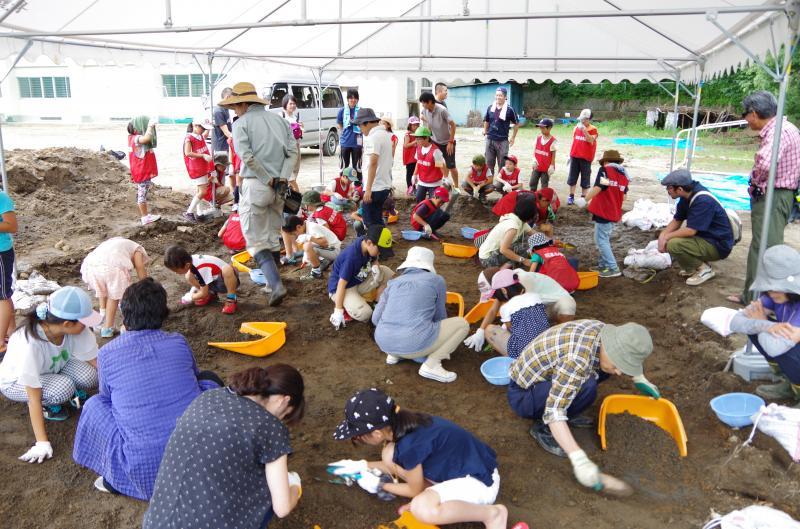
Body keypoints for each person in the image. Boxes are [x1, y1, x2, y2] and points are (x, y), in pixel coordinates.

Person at [72, 278, 222, 498]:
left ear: (125, 315)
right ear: (163, 314)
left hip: (143, 471)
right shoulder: (178, 341)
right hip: (201, 462)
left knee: (96, 404)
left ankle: (116, 480)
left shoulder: (107, 352)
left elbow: (108, 399)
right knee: (209, 380)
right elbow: (195, 377)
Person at [143, 365, 305, 529]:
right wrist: (294, 485)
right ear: (285, 400)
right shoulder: (271, 427)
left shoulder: (209, 396)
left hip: (155, 521)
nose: (280, 420)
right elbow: (282, 508)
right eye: (285, 415)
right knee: (269, 491)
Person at [507, 319, 659, 491]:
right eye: (618, 365)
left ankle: (570, 404)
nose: (619, 372)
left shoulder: (605, 333)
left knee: (598, 373)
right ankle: (542, 428)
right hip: (524, 394)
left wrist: (638, 377)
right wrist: (579, 459)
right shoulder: (577, 361)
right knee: (586, 384)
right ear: (610, 348)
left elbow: (620, 356)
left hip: (552, 378)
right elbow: (554, 411)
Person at [331, 388, 508, 529]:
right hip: (466, 467)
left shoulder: (409, 446)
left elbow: (413, 490)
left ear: (376, 433)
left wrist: (380, 485)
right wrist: (361, 466)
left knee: (421, 508)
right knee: (389, 456)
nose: (357, 439)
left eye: (358, 436)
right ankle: (436, 494)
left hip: (480, 483)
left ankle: (492, 514)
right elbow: (399, 464)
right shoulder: (403, 421)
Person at [0, 286, 101, 463]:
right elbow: (33, 397)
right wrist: (42, 442)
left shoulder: (73, 328)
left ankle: (66, 392)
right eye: (84, 321)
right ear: (67, 324)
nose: (88, 325)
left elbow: (97, 363)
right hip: (16, 381)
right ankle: (51, 404)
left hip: (53, 366)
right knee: (64, 388)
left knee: (90, 376)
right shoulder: (29, 344)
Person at [219, 81, 297, 307]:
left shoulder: (241, 124)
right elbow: (293, 152)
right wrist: (281, 178)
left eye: (235, 106)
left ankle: (276, 285)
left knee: (255, 239)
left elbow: (247, 157)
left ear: (243, 103)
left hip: (257, 185)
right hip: (280, 187)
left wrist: (267, 178)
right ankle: (272, 283)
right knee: (273, 234)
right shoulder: (280, 121)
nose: (234, 110)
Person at [735, 91, 800, 305]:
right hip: (776, 195)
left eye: (746, 115)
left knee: (766, 250)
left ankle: (761, 302)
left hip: (774, 196)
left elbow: (764, 163)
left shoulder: (777, 132)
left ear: (753, 114)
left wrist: (754, 179)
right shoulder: (783, 128)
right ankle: (752, 296)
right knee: (761, 246)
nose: (746, 121)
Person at [372, 247, 469, 383]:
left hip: (384, 342)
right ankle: (432, 364)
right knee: (462, 324)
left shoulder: (393, 283)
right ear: (429, 265)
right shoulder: (436, 280)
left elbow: (375, 319)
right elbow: (440, 315)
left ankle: (396, 355)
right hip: (414, 341)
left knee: (410, 342)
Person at [729, 245, 800, 407]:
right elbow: (735, 322)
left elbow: (775, 348)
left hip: (790, 345)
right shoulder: (773, 295)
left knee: (779, 341)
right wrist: (765, 324)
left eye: (778, 287)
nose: (772, 292)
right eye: (768, 287)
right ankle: (789, 383)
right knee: (756, 328)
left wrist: (761, 324)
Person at [657, 169, 734, 286]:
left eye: (669, 188)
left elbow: (690, 231)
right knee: (670, 240)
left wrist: (667, 237)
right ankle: (692, 268)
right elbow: (677, 219)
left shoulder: (703, 201)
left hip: (718, 244)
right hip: (707, 238)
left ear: (680, 189)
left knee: (673, 244)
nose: (667, 191)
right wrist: (662, 235)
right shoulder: (686, 197)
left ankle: (704, 270)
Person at [465, 269, 549, 359]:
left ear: (503, 290)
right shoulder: (533, 294)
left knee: (490, 330)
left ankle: (514, 360)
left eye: (495, 294)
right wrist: (480, 330)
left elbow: (511, 329)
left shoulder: (506, 308)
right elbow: (493, 310)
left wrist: (497, 331)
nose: (495, 297)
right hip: (546, 345)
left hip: (525, 355)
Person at [80, 237, 149, 338]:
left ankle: (102, 316)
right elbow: (139, 266)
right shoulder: (138, 249)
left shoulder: (115, 243)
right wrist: (146, 285)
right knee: (115, 296)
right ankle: (115, 328)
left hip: (89, 266)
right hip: (111, 269)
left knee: (104, 290)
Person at [328, 225, 395, 328]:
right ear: (369, 243)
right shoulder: (352, 257)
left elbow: (374, 258)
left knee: (387, 273)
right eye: (380, 249)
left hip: (359, 278)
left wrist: (375, 266)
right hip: (343, 288)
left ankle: (376, 303)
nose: (381, 252)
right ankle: (345, 307)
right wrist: (338, 311)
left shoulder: (367, 242)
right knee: (365, 314)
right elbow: (341, 284)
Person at [585, 149, 629, 278]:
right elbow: (624, 196)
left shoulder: (606, 171)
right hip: (614, 210)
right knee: (602, 239)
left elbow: (599, 187)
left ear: (606, 161)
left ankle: (612, 267)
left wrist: (585, 199)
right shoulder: (624, 175)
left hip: (604, 210)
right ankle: (603, 265)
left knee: (601, 240)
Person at [164, 245, 239, 315]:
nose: (176, 273)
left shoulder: (201, 267)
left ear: (186, 265)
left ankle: (231, 298)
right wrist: (198, 290)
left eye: (176, 271)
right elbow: (200, 278)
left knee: (227, 269)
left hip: (225, 282)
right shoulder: (191, 261)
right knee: (188, 275)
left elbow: (203, 291)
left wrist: (191, 297)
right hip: (213, 280)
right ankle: (211, 293)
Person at [357, 108, 394, 228]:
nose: (360, 129)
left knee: (369, 222)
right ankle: (383, 243)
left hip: (374, 187)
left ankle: (375, 244)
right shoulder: (385, 134)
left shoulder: (373, 138)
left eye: (360, 126)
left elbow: (373, 163)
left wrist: (368, 189)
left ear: (366, 123)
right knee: (377, 219)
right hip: (384, 185)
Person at [477, 197, 538, 268]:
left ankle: (508, 266)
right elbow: (503, 250)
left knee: (525, 241)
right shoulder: (513, 227)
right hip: (487, 259)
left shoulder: (519, 220)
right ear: (529, 215)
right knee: (524, 247)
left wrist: (550, 241)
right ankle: (501, 271)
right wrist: (524, 260)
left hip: (492, 252)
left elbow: (535, 234)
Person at [419, 91, 459, 191]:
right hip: (435, 141)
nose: (422, 105)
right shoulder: (425, 111)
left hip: (447, 142)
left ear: (429, 102)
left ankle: (456, 187)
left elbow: (453, 125)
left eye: (423, 103)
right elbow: (426, 120)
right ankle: (446, 180)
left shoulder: (442, 110)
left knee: (451, 166)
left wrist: (450, 142)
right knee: (439, 162)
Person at [281, 215, 341, 280]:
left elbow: (325, 243)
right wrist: (306, 255)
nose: (296, 236)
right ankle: (322, 261)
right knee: (307, 246)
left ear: (298, 227)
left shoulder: (312, 228)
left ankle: (316, 273)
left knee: (307, 246)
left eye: (294, 234)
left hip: (335, 251)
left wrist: (308, 238)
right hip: (329, 250)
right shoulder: (306, 227)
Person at [126, 116, 161, 226]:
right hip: (141, 171)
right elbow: (146, 139)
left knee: (142, 193)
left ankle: (145, 215)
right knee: (142, 194)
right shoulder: (137, 138)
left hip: (140, 170)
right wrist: (150, 126)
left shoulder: (132, 138)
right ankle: (145, 217)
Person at [182, 116, 215, 222]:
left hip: (202, 166)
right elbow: (187, 153)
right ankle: (189, 212)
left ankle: (199, 212)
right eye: (203, 128)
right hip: (196, 168)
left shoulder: (200, 136)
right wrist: (203, 156)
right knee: (203, 191)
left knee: (199, 190)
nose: (204, 131)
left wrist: (208, 128)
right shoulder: (189, 138)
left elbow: (203, 137)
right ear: (195, 126)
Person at [483, 87, 520, 177]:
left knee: (502, 164)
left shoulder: (510, 109)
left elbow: (517, 123)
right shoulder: (490, 107)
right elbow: (486, 120)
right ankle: (489, 182)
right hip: (490, 139)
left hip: (502, 141)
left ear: (505, 97)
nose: (498, 97)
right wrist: (485, 130)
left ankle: (501, 183)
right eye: (497, 95)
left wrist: (513, 137)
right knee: (489, 162)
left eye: (500, 95)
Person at [567, 109, 598, 205]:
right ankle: (571, 196)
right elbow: (574, 141)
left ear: (588, 119)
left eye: (584, 119)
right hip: (575, 156)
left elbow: (590, 140)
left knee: (585, 178)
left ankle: (583, 198)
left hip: (586, 158)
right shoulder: (576, 127)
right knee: (572, 177)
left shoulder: (593, 129)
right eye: (581, 119)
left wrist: (584, 130)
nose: (582, 121)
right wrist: (570, 155)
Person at [412, 126, 446, 202]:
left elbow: (441, 166)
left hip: (434, 183)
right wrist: (414, 175)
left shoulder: (435, 151)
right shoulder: (418, 148)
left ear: (427, 138)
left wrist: (445, 178)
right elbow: (418, 162)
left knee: (433, 203)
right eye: (416, 139)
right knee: (418, 199)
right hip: (422, 181)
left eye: (419, 139)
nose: (417, 141)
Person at [0, 188, 16, 355]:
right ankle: (11, 332)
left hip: (1, 252)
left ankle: (0, 343)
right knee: (4, 293)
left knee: (2, 295)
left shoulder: (1, 198)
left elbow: (12, 226)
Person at [338, 88, 363, 179]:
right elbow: (339, 123)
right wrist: (344, 133)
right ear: (347, 99)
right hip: (345, 142)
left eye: (355, 98)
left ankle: (357, 187)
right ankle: (344, 186)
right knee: (344, 167)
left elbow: (364, 124)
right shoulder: (342, 110)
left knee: (357, 167)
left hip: (357, 143)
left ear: (357, 99)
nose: (353, 100)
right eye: (351, 98)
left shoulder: (361, 110)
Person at [281, 94, 304, 192]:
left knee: (295, 171)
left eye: (294, 103)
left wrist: (301, 127)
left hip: (297, 147)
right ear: (285, 104)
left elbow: (299, 134)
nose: (293, 106)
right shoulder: (281, 116)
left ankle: (290, 194)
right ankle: (298, 196)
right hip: (287, 149)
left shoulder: (295, 117)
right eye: (290, 103)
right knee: (290, 176)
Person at [530, 118, 557, 191]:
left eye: (543, 127)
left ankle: (543, 199)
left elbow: (553, 155)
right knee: (532, 182)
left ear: (549, 128)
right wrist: (534, 160)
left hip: (546, 168)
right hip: (537, 166)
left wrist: (552, 166)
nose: (541, 129)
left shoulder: (553, 141)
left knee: (544, 184)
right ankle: (532, 196)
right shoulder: (538, 138)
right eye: (540, 127)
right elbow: (534, 151)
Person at [212, 87, 233, 156]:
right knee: (222, 166)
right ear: (227, 97)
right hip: (220, 147)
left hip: (226, 144)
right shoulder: (218, 111)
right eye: (232, 99)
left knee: (226, 166)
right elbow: (226, 132)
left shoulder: (226, 108)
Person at [403, 117, 421, 195]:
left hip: (416, 156)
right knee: (410, 173)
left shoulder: (418, 133)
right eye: (414, 125)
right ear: (410, 125)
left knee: (416, 173)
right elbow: (406, 145)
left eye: (417, 125)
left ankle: (415, 188)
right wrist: (415, 141)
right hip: (409, 157)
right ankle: (410, 188)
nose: (416, 126)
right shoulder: (408, 134)